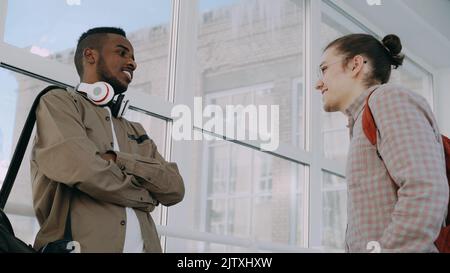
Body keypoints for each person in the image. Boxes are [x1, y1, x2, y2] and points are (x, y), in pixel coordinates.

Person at [31, 27, 185, 253]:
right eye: (122, 53)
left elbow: (174, 188)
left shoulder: (136, 129)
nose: (132, 63)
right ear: (90, 56)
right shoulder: (59, 103)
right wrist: (147, 197)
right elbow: (83, 169)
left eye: (133, 57)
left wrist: (117, 159)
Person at [315, 33, 449, 252]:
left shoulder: (387, 99)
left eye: (324, 69)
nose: (318, 83)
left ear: (355, 65)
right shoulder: (362, 118)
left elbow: (425, 189)